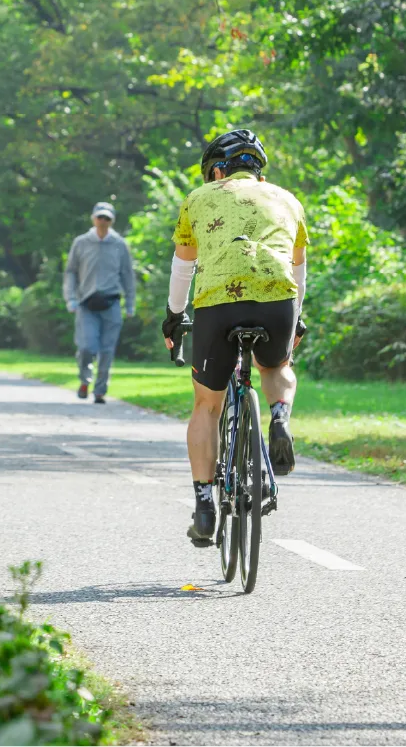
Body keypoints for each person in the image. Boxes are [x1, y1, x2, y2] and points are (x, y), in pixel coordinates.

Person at [161, 129, 308, 547]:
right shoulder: (288, 199)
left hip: (217, 306)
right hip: (277, 300)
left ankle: (205, 505)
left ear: (219, 170)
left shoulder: (197, 198)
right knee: (277, 366)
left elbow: (183, 267)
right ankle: (279, 416)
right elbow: (298, 269)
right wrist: (295, 319)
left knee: (208, 404)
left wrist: (174, 317)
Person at [63, 202, 136, 404]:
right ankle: (85, 380)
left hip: (111, 304)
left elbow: (127, 275)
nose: (103, 221)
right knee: (87, 346)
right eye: (100, 217)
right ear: (93, 218)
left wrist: (130, 304)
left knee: (107, 350)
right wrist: (71, 298)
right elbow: (70, 272)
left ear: (112, 220)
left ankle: (100, 390)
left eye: (107, 218)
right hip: (86, 304)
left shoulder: (119, 244)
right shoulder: (81, 242)